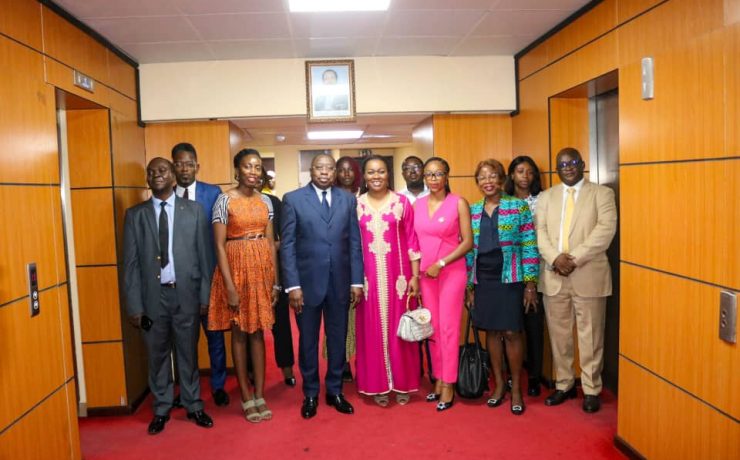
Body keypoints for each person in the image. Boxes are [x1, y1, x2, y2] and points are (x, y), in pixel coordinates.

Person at [123, 157, 214, 435]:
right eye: (151, 172)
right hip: (152, 299)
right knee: (157, 355)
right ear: (147, 179)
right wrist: (135, 306)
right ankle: (161, 408)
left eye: (162, 170)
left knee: (188, 353)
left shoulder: (194, 211)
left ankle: (193, 404)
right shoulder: (135, 215)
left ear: (173, 176)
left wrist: (205, 297)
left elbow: (204, 257)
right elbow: (130, 265)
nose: (156, 175)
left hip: (186, 295)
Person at [280, 153, 364, 419]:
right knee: (308, 341)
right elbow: (288, 246)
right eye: (319, 167)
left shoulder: (348, 200)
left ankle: (335, 390)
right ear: (311, 170)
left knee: (338, 339)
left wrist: (356, 281)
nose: (325, 172)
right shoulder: (293, 199)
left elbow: (354, 243)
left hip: (340, 283)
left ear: (335, 172)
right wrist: (292, 286)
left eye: (329, 168)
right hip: (306, 286)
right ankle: (311, 393)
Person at [536, 147, 617, 414]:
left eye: (572, 162)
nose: (568, 167)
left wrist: (573, 259)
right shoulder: (546, 197)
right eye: (562, 164)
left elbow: (605, 230)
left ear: (582, 164)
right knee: (559, 336)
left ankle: (591, 388)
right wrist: (555, 258)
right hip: (553, 275)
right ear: (556, 169)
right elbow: (540, 233)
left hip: (589, 274)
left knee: (591, 335)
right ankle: (564, 384)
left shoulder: (602, 194)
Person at [208, 149, 279, 423]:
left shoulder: (266, 201)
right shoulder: (224, 200)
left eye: (258, 167)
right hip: (235, 269)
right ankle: (246, 397)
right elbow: (218, 245)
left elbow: (271, 243)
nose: (253, 171)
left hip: (261, 269)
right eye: (248, 166)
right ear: (237, 170)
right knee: (238, 333)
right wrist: (229, 287)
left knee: (259, 332)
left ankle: (260, 394)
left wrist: (274, 282)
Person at [465, 159, 540, 416]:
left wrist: (530, 283)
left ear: (501, 179)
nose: (488, 181)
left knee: (511, 331)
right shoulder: (472, 210)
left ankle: (516, 388)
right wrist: (469, 286)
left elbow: (529, 245)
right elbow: (468, 251)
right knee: (492, 331)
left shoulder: (517, 206)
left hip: (510, 277)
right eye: (482, 177)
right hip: (483, 278)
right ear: (477, 182)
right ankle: (498, 385)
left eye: (492, 176)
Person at [355, 155, 421, 406]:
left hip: (399, 278)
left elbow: (412, 240)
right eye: (371, 172)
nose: (376, 176)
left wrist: (415, 276)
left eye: (381, 171)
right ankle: (377, 385)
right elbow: (352, 245)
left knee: (400, 330)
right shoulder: (356, 205)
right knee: (370, 331)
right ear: (364, 176)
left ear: (388, 174)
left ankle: (403, 382)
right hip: (368, 279)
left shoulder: (401, 202)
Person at [170, 142, 229, 407]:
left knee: (214, 336)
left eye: (189, 163)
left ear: (197, 166)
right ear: (173, 167)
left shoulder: (213, 193)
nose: (184, 168)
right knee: (184, 342)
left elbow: (221, 236)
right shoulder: (167, 195)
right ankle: (187, 389)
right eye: (179, 164)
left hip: (210, 276)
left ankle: (218, 386)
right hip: (179, 283)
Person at [413, 157, 473, 411]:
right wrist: (415, 275)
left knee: (448, 328)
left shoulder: (458, 203)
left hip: (450, 272)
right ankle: (438, 378)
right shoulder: (417, 205)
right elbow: (413, 242)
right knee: (433, 328)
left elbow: (468, 242)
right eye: (429, 174)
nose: (433, 179)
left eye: (438, 173)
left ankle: (448, 382)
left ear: (447, 176)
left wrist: (442, 263)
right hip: (426, 276)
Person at [504, 155, 545, 397]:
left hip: (536, 272)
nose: (525, 176)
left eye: (530, 172)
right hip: (509, 273)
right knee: (511, 328)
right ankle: (513, 375)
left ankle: (535, 377)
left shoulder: (543, 200)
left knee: (533, 326)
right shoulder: (503, 201)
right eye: (520, 171)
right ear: (511, 174)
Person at [259, 169, 296, 387]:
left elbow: (286, 237)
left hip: (275, 270)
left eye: (260, 175)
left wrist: (269, 246)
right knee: (250, 327)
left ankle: (287, 368)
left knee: (280, 323)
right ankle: (252, 371)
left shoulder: (274, 202)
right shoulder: (232, 201)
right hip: (246, 270)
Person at [333, 156, 361, 382]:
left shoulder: (367, 195)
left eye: (350, 169)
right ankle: (341, 361)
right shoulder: (331, 197)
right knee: (341, 319)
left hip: (369, 263)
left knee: (364, 319)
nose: (346, 174)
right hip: (340, 266)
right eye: (341, 170)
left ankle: (366, 361)